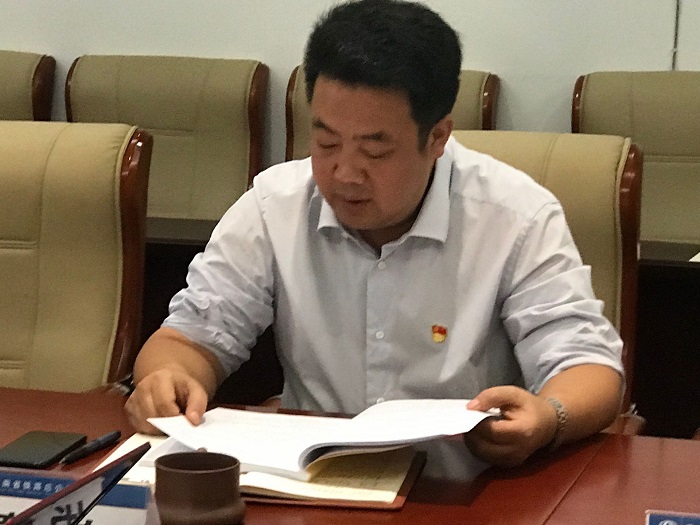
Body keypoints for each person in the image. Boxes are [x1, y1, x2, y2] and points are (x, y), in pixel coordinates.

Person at [126, 0, 623, 467]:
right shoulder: (274, 206)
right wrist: (168, 379)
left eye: (374, 150)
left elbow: (588, 366)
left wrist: (549, 416)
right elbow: (189, 338)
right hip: (310, 488)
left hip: (465, 492)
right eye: (326, 142)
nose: (344, 173)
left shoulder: (515, 216)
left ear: (437, 137)